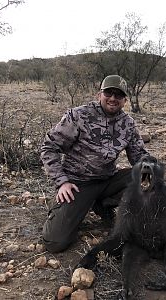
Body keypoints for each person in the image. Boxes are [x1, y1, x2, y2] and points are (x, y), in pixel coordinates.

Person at [41, 75, 149, 253]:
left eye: (118, 95)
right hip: (77, 184)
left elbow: (139, 156)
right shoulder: (78, 115)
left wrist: (151, 175)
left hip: (107, 180)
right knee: (55, 242)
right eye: (108, 93)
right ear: (99, 94)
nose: (113, 98)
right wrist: (62, 182)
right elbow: (49, 147)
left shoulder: (128, 123)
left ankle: (102, 204)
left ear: (125, 100)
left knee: (146, 176)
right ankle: (76, 206)